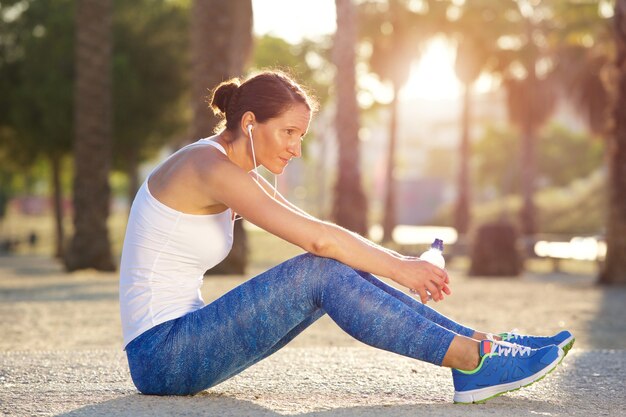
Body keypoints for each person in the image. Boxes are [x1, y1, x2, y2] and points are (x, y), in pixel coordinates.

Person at [119, 70, 574, 404]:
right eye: (289, 132)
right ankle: (472, 361)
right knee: (318, 271)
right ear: (251, 122)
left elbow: (325, 237)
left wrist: (401, 262)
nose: (297, 147)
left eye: (302, 134)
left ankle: (484, 346)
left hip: (181, 343)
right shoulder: (209, 167)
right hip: (163, 353)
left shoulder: (229, 166)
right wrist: (403, 269)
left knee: (330, 268)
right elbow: (318, 242)